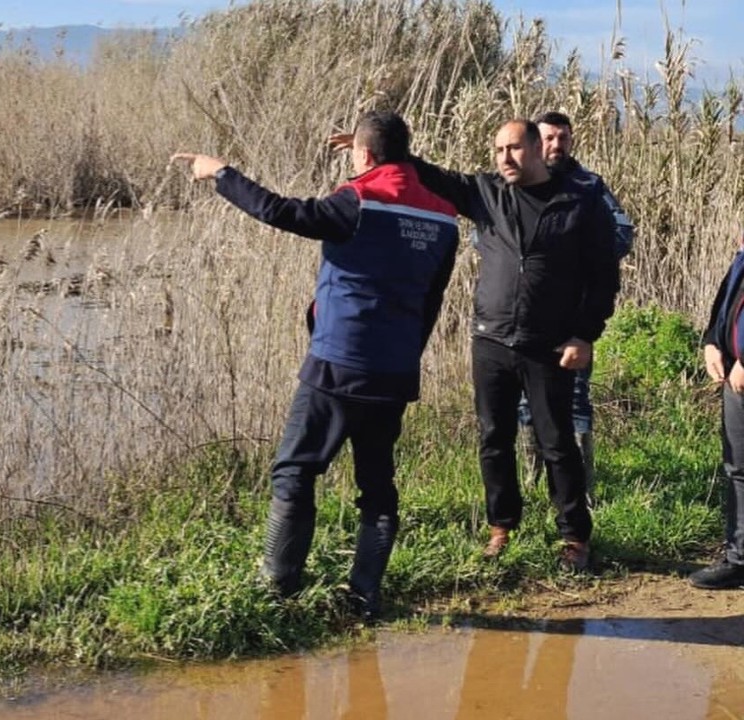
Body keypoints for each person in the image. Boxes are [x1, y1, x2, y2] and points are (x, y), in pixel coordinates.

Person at [171, 110, 459, 621]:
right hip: (394, 373)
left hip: (338, 364)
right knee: (377, 484)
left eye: (359, 152)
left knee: (295, 472)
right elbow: (433, 299)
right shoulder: (443, 216)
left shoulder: (359, 201)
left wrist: (220, 173)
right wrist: (406, 355)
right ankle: (364, 597)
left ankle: (278, 589)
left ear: (364, 154)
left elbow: (283, 212)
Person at [399, 119, 621, 571]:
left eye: (515, 148)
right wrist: (385, 151)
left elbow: (603, 276)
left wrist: (585, 334)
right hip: (492, 339)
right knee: (493, 437)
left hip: (550, 344)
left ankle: (575, 536)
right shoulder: (486, 193)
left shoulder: (579, 202)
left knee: (557, 441)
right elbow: (433, 175)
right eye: (498, 149)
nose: (504, 157)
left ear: (538, 148)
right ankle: (502, 526)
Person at [518, 111, 635, 492]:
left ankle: (580, 490)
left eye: (562, 138)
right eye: (549, 138)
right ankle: (533, 484)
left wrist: (579, 255)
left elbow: (622, 231)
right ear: (536, 142)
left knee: (575, 399)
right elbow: (489, 234)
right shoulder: (518, 181)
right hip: (523, 316)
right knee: (525, 403)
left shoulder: (588, 185)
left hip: (573, 317)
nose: (556, 145)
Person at [691, 240, 744, 589]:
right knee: (738, 467)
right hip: (734, 378)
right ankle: (740, 559)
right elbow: (728, 298)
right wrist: (713, 340)